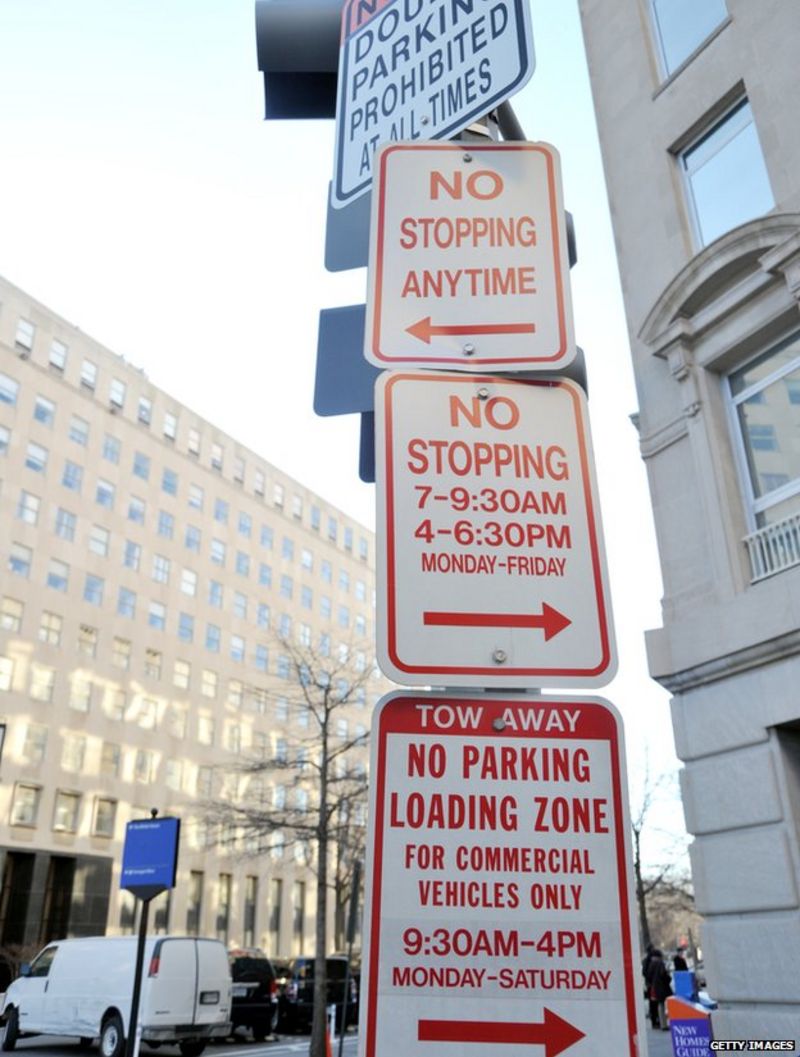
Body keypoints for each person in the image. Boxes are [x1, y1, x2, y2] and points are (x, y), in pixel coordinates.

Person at [646, 949, 673, 1030]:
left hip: (655, 987)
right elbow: (663, 975)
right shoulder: (660, 963)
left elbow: (648, 976)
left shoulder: (651, 964)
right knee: (664, 1004)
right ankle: (665, 1024)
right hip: (662, 986)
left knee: (660, 1004)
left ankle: (662, 1023)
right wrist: (669, 979)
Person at [641, 945, 659, 1029]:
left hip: (650, 984)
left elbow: (644, 972)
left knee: (652, 1002)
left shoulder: (646, 960)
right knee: (654, 1003)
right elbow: (645, 972)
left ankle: (654, 1020)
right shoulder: (650, 960)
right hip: (652, 984)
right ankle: (655, 1020)